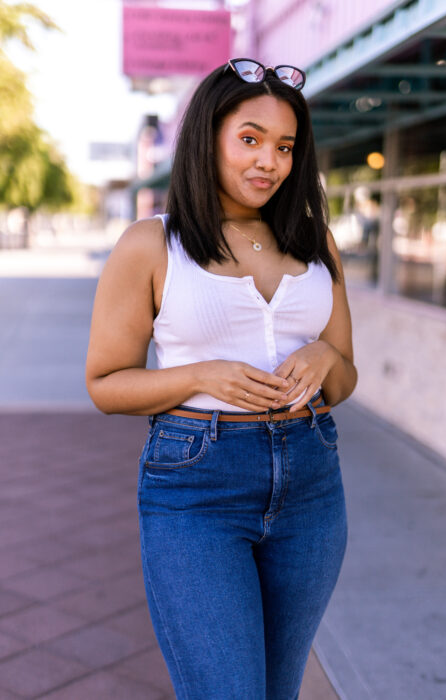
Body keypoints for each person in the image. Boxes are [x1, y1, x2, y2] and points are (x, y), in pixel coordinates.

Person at [86, 58, 357, 700]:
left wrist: (323, 359)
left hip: (312, 481)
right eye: (250, 139)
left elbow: (344, 375)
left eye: (285, 146)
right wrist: (199, 375)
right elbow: (105, 383)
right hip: (198, 483)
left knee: (277, 690)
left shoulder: (316, 240)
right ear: (208, 136)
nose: (269, 161)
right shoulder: (152, 245)